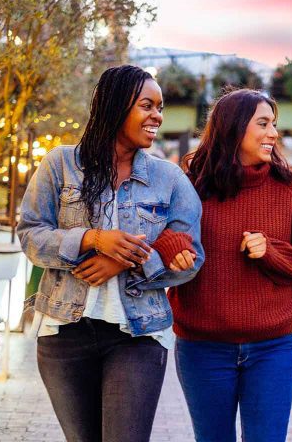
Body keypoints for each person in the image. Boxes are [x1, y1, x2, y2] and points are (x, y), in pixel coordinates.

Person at [18, 65, 203, 442]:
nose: (158, 116)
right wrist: (92, 240)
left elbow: (191, 256)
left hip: (137, 336)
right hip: (64, 332)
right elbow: (30, 236)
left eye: (160, 107)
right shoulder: (61, 164)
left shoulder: (170, 180)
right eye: (147, 105)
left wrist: (124, 260)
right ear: (116, 107)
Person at [169, 89, 292, 442]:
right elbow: (160, 240)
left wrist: (270, 251)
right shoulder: (190, 185)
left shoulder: (288, 188)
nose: (274, 133)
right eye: (264, 123)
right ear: (233, 127)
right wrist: (171, 246)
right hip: (202, 347)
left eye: (275, 124)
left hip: (272, 348)